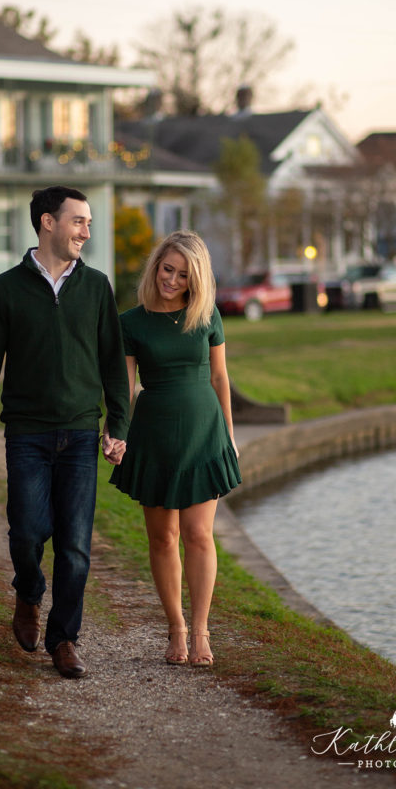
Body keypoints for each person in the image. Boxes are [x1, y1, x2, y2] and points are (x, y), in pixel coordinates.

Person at [0, 185, 129, 680]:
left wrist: (117, 424)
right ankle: (29, 592)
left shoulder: (96, 287)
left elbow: (113, 362)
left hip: (80, 434)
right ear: (48, 222)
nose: (87, 232)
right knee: (27, 532)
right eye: (79, 221)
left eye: (89, 223)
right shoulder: (6, 288)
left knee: (75, 547)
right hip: (27, 434)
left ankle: (63, 639)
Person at [110, 230, 241, 667]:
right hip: (154, 436)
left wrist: (229, 435)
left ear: (195, 279)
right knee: (163, 537)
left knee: (199, 535)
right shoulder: (131, 323)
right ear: (156, 266)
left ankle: (201, 631)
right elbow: (125, 388)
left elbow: (219, 378)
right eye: (167, 269)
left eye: (183, 275)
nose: (172, 280)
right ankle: (176, 629)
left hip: (204, 433)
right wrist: (115, 433)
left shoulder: (207, 315)